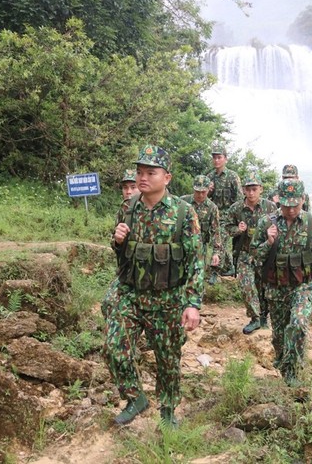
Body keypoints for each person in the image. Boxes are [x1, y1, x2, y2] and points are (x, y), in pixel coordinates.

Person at [104, 145, 204, 428]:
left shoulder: (184, 213)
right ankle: (135, 397)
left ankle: (169, 409)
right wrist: (118, 240)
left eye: (150, 172)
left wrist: (192, 303)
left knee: (168, 359)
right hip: (131, 294)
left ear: (167, 177)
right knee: (114, 347)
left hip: (168, 299)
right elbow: (120, 254)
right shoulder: (128, 207)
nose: (142, 177)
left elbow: (197, 261)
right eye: (139, 172)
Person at [251, 179, 312, 386]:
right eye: (286, 205)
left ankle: (294, 372)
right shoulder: (266, 223)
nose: (291, 209)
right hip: (275, 288)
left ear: (303, 200)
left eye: (295, 205)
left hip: (302, 287)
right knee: (279, 336)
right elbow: (254, 258)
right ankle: (285, 366)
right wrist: (268, 243)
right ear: (278, 201)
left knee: (298, 324)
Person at [224, 172, 277, 334]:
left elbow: (279, 227)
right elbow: (227, 227)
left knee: (263, 288)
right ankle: (254, 317)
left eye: (254, 189)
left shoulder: (270, 207)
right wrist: (237, 230)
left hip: (265, 254)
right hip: (245, 254)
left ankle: (263, 318)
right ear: (244, 190)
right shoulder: (236, 208)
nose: (251, 193)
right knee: (246, 286)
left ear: (260, 189)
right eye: (248, 189)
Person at [101, 169, 140, 318]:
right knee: (108, 305)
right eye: (125, 188)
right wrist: (117, 241)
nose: (128, 192)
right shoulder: (124, 210)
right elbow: (115, 244)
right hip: (127, 272)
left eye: (133, 187)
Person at [206, 142, 243, 277]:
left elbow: (239, 200)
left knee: (220, 238)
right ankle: (229, 266)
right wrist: (208, 191)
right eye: (214, 157)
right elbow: (203, 198)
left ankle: (216, 270)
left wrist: (236, 219)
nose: (216, 160)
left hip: (228, 217)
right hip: (213, 216)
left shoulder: (232, 176)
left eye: (219, 157)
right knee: (212, 239)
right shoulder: (210, 177)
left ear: (225, 159)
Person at [181, 175, 222, 284]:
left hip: (200, 246)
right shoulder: (183, 202)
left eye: (203, 192)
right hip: (181, 244)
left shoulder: (212, 208)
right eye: (197, 191)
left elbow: (216, 232)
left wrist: (216, 253)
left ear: (209, 190)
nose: (200, 195)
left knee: (197, 275)